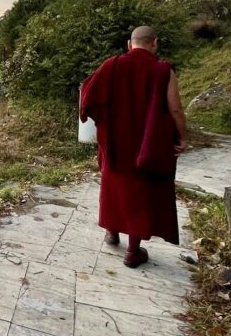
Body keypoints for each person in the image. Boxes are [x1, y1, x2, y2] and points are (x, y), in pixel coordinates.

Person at [78, 26, 188, 268]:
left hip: (115, 142)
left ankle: (112, 233)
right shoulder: (163, 70)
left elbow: (87, 94)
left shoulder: (112, 65)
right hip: (147, 144)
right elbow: (176, 109)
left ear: (130, 44)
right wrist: (182, 137)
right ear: (155, 43)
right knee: (140, 192)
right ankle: (133, 251)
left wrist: (103, 121)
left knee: (114, 185)